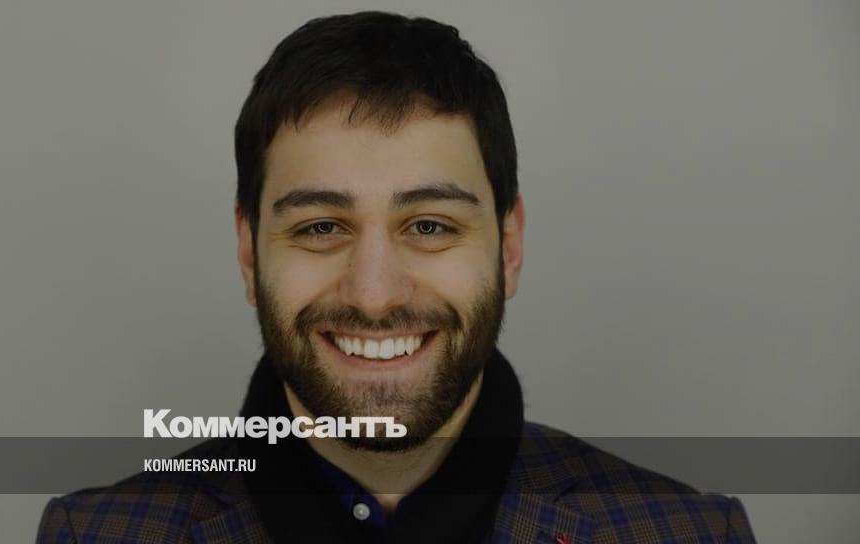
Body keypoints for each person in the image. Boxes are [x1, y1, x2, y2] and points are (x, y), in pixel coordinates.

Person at [37, 11, 756, 543]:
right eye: (321, 228)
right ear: (249, 253)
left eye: (430, 226)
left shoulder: (690, 533)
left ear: (509, 248)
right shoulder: (96, 535)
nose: (375, 294)